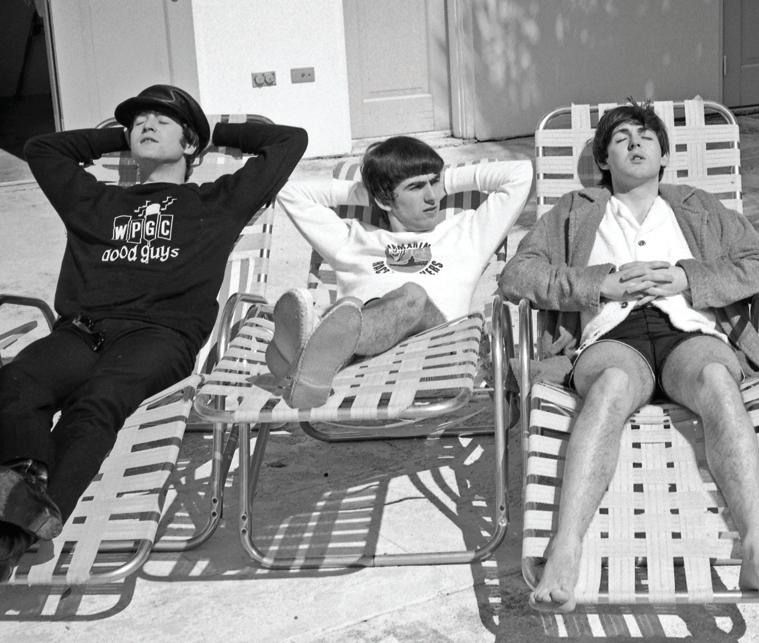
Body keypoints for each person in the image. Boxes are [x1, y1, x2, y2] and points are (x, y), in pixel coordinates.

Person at [498, 102, 759, 612]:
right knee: (610, 387)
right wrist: (600, 284)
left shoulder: (699, 207)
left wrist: (688, 278)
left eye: (646, 136)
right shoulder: (575, 210)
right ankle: (565, 549)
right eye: (621, 138)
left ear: (664, 155)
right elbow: (517, 275)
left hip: (690, 329)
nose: (635, 143)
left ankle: (758, 547)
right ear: (604, 160)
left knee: (718, 377)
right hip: (610, 336)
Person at [0, 84, 308, 579]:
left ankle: (18, 532)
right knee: (16, 383)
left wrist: (212, 131)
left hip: (160, 337)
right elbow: (43, 149)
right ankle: (23, 501)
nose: (146, 125)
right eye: (138, 121)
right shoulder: (93, 200)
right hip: (82, 332)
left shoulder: (218, 202)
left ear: (190, 145)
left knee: (98, 403)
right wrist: (115, 139)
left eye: (163, 121)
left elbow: (290, 141)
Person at [266, 138, 531, 408]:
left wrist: (446, 181)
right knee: (349, 306)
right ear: (383, 199)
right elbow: (288, 191)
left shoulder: (467, 233)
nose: (432, 197)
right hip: (360, 365)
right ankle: (315, 367)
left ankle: (305, 355)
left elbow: (520, 173)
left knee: (413, 297)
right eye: (415, 187)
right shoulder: (353, 239)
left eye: (434, 182)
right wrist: (372, 193)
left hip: (439, 357)